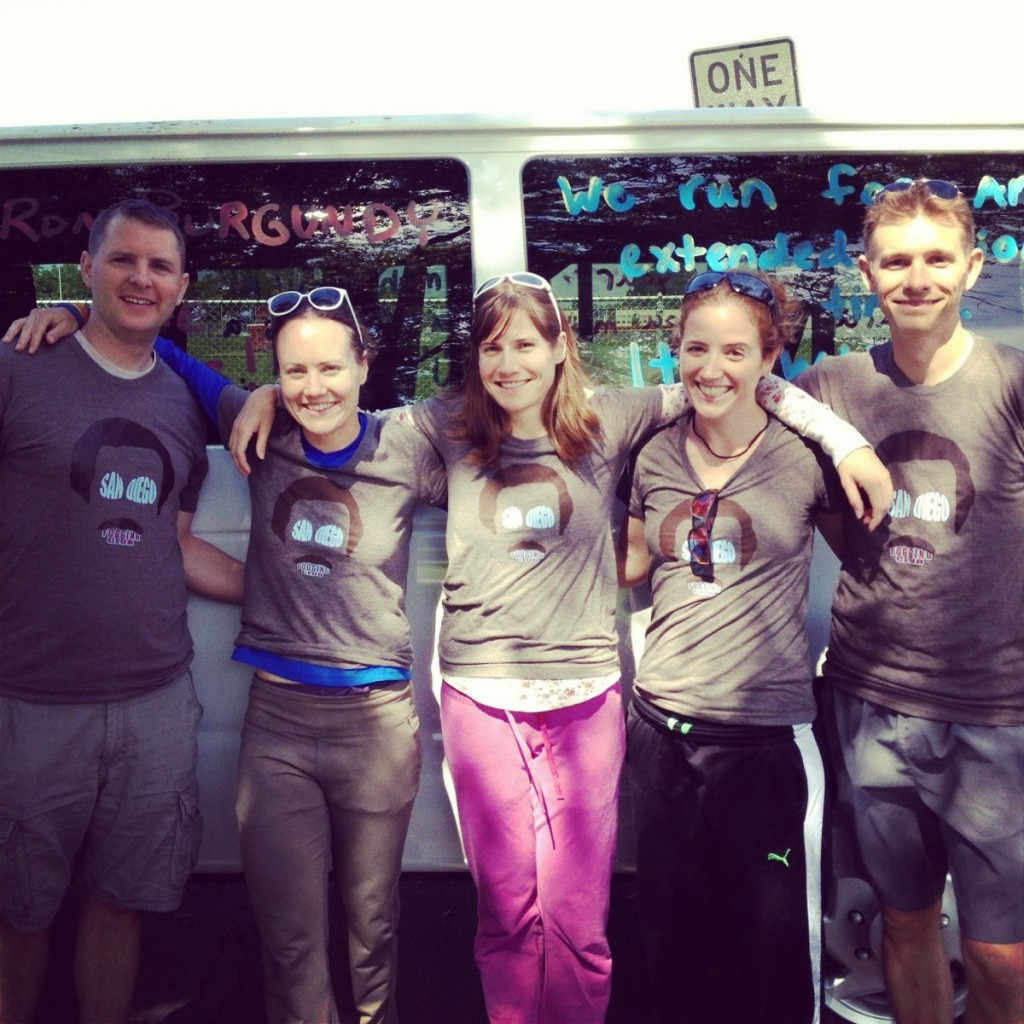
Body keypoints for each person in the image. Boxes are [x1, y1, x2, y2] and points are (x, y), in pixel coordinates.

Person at [230, 270, 891, 1024]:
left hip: (586, 699)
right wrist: (268, 394)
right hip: (482, 698)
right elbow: (345, 420)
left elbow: (735, 383)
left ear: (558, 347)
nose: (507, 363)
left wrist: (845, 443)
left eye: (524, 344)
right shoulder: (444, 428)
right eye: (490, 348)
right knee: (507, 914)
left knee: (578, 920)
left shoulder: (610, 419)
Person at [5, 286, 447, 1024]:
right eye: (294, 371)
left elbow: (509, 436)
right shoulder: (260, 430)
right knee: (290, 941)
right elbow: (162, 348)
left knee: (374, 931)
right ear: (272, 377)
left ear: (364, 364)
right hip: (278, 721)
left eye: (331, 367)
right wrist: (79, 313)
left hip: (376, 721)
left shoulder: (409, 444)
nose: (315, 387)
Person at [0, 199, 244, 1024]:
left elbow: (171, 544)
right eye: (123, 261)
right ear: (86, 269)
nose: (141, 278)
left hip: (155, 705)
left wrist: (286, 587)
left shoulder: (182, 400)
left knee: (122, 902)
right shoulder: (19, 369)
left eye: (160, 266)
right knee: (18, 914)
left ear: (182, 287)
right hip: (28, 702)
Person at [798, 180, 1024, 1024]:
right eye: (896, 260)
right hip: (873, 700)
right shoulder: (831, 387)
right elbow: (826, 510)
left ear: (972, 267)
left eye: (937, 258)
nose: (917, 277)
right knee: (905, 919)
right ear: (866, 272)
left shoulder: (1010, 382)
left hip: (995, 713)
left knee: (1003, 952)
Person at [622, 271, 843, 1023]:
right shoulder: (651, 454)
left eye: (735, 351)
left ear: (769, 358)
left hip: (759, 744)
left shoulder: (806, 457)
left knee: (772, 948)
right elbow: (625, 559)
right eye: (696, 349)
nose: (712, 369)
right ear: (674, 353)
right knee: (675, 945)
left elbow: (870, 561)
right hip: (660, 732)